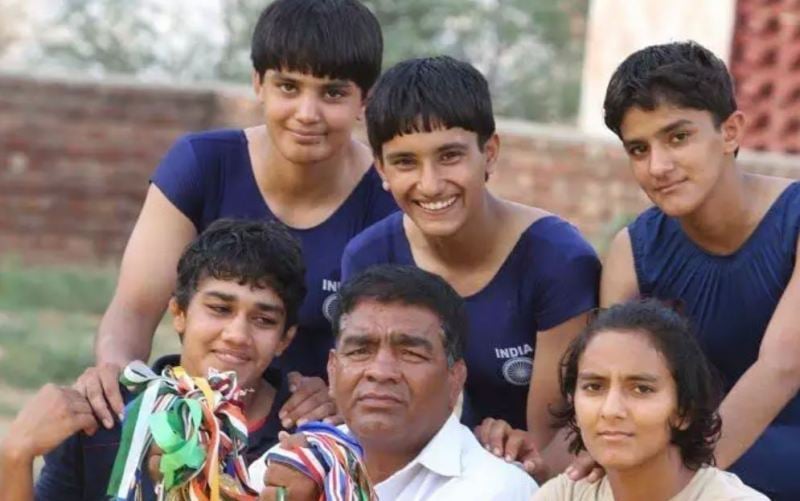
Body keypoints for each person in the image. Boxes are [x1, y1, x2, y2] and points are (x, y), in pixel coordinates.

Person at [83, 0, 397, 433]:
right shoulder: (201, 165)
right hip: (198, 423)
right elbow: (134, 310)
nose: (307, 113)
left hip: (323, 434)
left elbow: (406, 348)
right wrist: (117, 379)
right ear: (258, 83)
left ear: (366, 99)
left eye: (332, 93)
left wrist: (345, 393)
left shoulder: (389, 198)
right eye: (289, 87)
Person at [340, 55, 601, 475]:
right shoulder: (368, 257)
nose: (430, 184)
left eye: (449, 156)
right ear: (381, 168)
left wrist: (511, 460)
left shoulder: (558, 260)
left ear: (489, 153)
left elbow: (553, 437)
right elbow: (371, 415)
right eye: (405, 162)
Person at [600, 41, 800, 500]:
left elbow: (782, 366)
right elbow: (611, 381)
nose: (659, 166)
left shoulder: (793, 223)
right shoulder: (634, 252)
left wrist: (684, 484)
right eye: (638, 149)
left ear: (730, 132)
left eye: (678, 137)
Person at [0, 219, 306, 500]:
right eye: (220, 309)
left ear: (285, 339)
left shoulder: (304, 443)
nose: (237, 335)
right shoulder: (105, 416)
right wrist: (15, 456)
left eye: (264, 320)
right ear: (179, 314)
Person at [253, 264, 539, 500]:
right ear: (333, 370)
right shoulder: (285, 464)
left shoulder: (498, 489)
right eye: (360, 350)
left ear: (455, 378)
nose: (381, 371)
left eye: (411, 353)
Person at [534, 300, 767, 500]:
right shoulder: (563, 495)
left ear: (684, 410)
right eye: (594, 387)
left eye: (641, 389)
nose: (611, 410)